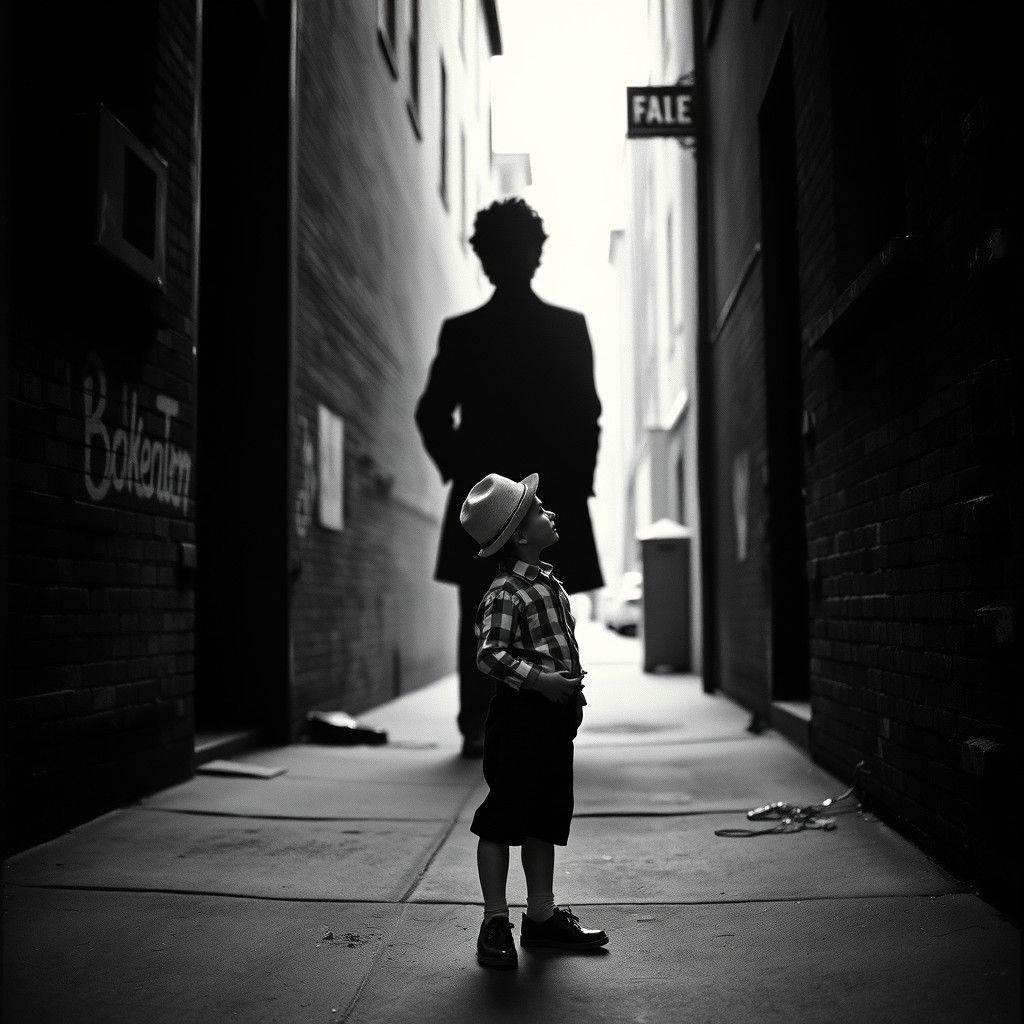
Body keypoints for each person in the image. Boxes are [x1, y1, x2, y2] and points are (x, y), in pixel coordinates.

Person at [415, 198, 603, 758]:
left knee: (484, 610)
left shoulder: (465, 332)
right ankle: (540, 718)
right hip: (546, 492)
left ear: (484, 257)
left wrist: (467, 475)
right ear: (535, 254)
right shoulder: (566, 329)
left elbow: (431, 414)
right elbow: (586, 418)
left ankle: (481, 722)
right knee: (545, 606)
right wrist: (576, 484)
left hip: (493, 500)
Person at [459, 471, 609, 969]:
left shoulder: (548, 583)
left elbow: (559, 647)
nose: (552, 513)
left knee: (545, 816)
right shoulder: (506, 592)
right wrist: (542, 682)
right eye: (541, 510)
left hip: (552, 720)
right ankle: (494, 920)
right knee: (504, 818)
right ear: (521, 535)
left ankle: (541, 916)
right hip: (520, 719)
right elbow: (489, 655)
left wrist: (569, 699)